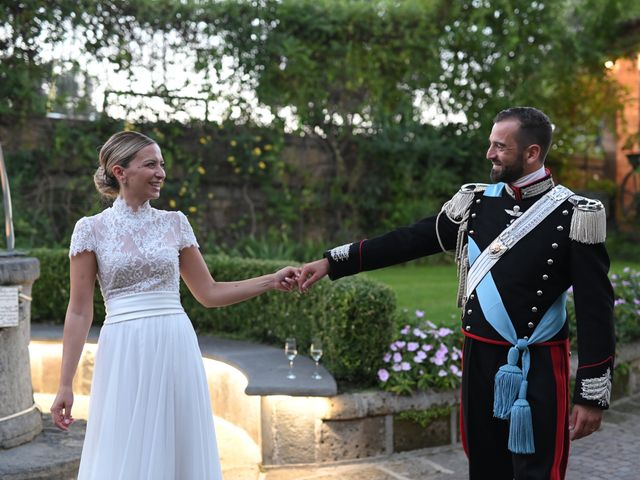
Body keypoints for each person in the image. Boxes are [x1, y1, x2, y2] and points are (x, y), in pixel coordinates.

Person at [298, 107, 615, 480]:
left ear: (532, 153)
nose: (489, 154)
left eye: (501, 147)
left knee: (538, 471)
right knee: (484, 466)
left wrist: (591, 397)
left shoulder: (574, 213)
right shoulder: (475, 203)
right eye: (490, 144)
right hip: (479, 355)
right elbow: (410, 240)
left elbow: (596, 309)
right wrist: (334, 262)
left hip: (540, 366)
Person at [50, 131, 300, 480]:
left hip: (174, 344)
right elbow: (79, 311)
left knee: (177, 447)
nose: (161, 173)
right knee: (125, 446)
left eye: (162, 164)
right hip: (124, 351)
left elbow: (209, 292)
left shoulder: (175, 223)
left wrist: (271, 280)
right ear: (120, 172)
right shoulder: (91, 229)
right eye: (150, 164)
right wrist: (65, 384)